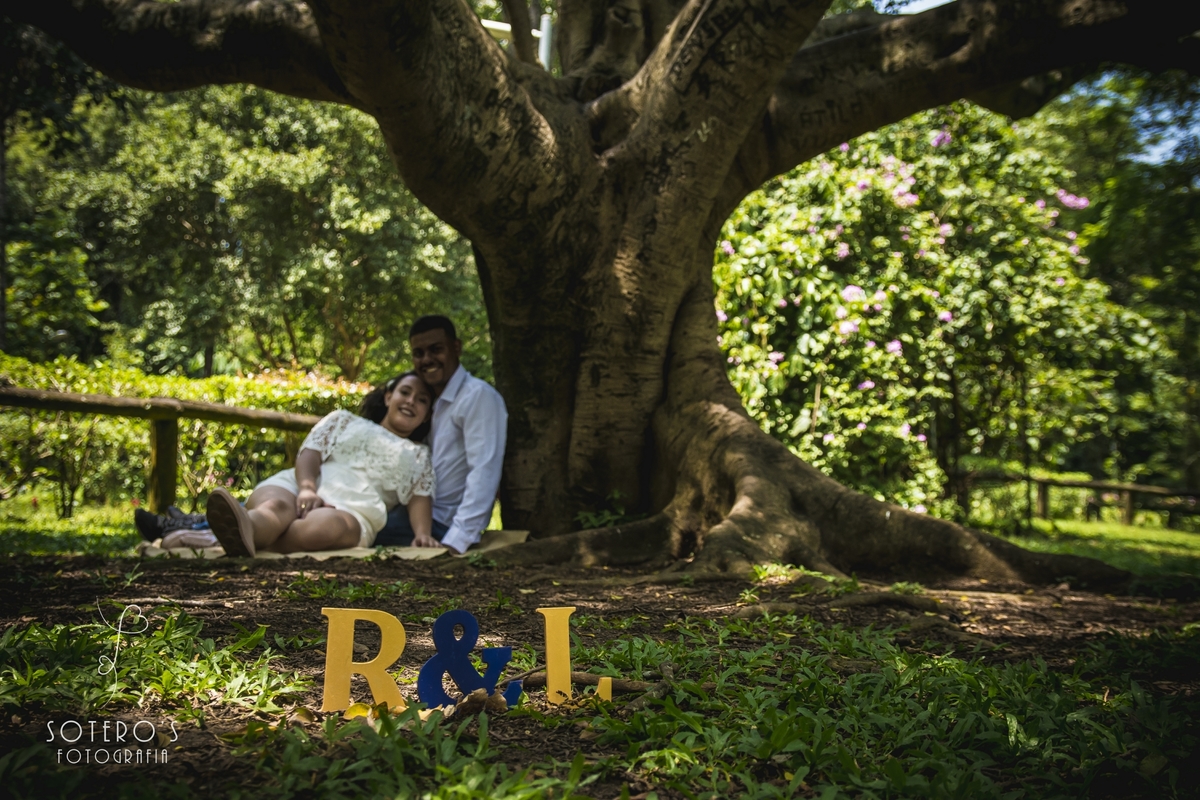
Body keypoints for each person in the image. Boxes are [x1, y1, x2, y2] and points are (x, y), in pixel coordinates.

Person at [206, 372, 436, 556]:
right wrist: (307, 489)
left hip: (354, 511)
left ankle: (245, 538)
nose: (411, 401)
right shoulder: (344, 420)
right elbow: (310, 453)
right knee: (275, 506)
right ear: (388, 397)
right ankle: (251, 528)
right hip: (303, 485)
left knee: (323, 527)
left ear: (427, 415)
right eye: (405, 392)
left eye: (422, 400)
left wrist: (423, 534)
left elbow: (420, 498)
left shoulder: (419, 455)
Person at [375, 316, 506, 554]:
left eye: (436, 349)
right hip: (414, 512)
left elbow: (484, 470)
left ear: (456, 348)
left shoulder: (477, 396)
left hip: (442, 524)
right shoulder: (431, 401)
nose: (427, 359)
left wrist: (456, 541)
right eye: (419, 353)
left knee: (352, 527)